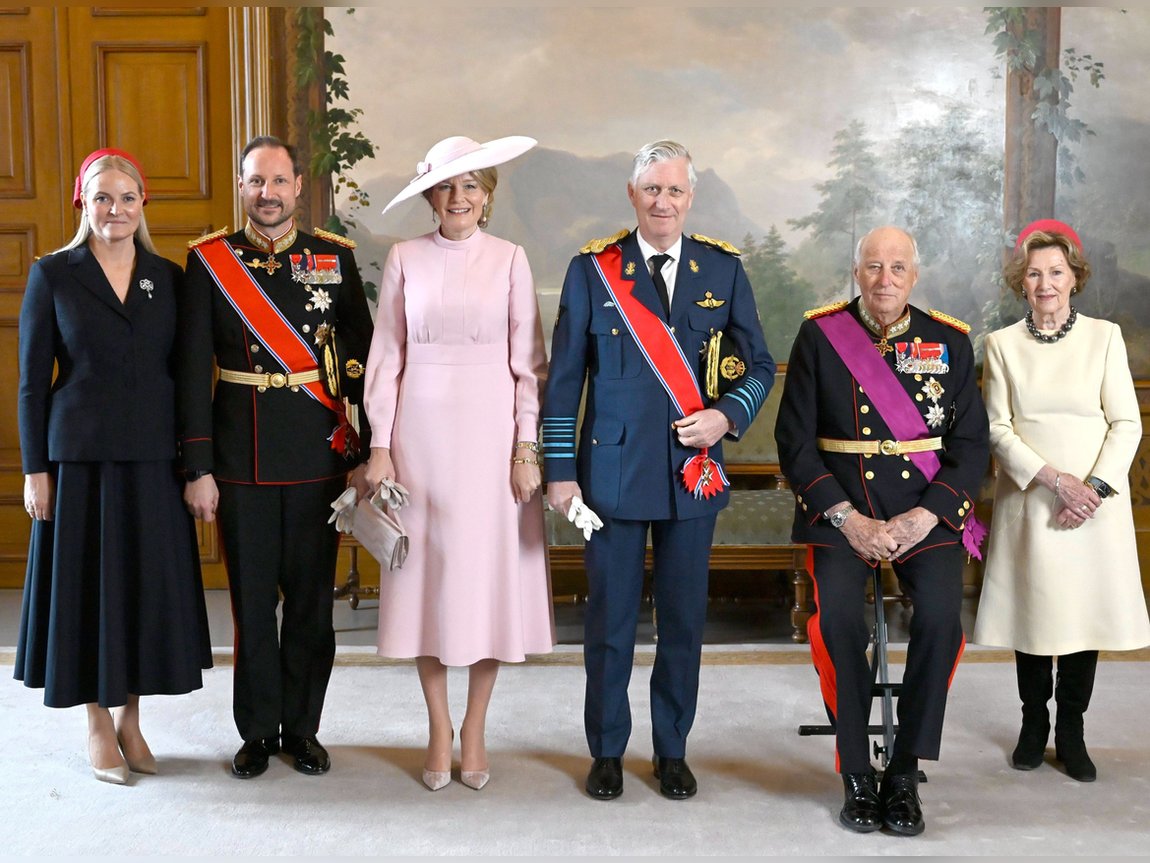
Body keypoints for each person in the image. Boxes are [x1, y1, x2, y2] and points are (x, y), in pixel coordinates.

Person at [542, 140, 775, 801]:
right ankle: (608, 750)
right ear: (632, 194)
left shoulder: (722, 272)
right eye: (651, 190)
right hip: (611, 475)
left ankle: (671, 749)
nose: (663, 202)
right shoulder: (593, 271)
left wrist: (726, 417)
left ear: (690, 198)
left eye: (674, 191)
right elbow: (564, 383)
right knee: (610, 622)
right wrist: (561, 472)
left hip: (691, 475)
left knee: (682, 623)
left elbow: (758, 365)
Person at [775, 226, 989, 836]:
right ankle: (856, 773)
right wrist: (847, 518)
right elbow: (796, 443)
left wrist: (927, 515)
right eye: (873, 267)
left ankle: (902, 769)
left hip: (924, 511)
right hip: (843, 514)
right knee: (837, 620)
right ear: (856, 272)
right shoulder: (820, 335)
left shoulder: (948, 340)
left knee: (943, 620)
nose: (885, 279)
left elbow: (969, 445)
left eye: (897, 267)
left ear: (914, 275)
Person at [178, 135, 374, 779]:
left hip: (318, 455)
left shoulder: (333, 258)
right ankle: (258, 732)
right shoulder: (210, 261)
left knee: (312, 604)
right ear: (242, 187)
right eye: (256, 182)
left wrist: (364, 452)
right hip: (241, 460)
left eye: (279, 181)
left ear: (298, 188)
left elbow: (363, 361)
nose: (268, 193)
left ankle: (304, 730)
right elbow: (188, 373)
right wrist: (199, 465)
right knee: (252, 604)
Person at [363, 135, 555, 792]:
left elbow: (529, 366)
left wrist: (526, 447)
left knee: (482, 582)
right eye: (446, 186)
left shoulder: (509, 259)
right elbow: (386, 358)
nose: (458, 197)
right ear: (430, 195)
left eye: (471, 185)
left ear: (487, 194)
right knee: (428, 584)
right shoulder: (404, 257)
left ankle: (475, 725)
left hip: (490, 438)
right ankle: (438, 725)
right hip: (419, 437)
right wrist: (381, 443)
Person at [15, 148, 212, 785]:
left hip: (154, 460)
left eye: (127, 197)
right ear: (83, 203)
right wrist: (34, 468)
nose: (116, 209)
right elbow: (29, 384)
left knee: (139, 590)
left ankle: (132, 717)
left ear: (143, 203)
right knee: (89, 591)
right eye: (103, 197)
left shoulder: (169, 278)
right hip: (78, 462)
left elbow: (187, 379)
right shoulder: (53, 275)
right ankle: (98, 721)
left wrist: (194, 462)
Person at [972, 219, 1150, 783]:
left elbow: (1125, 423)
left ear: (1075, 277)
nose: (1045, 283)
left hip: (1094, 507)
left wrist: (1091, 489)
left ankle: (1071, 731)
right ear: (1020, 283)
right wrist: (1054, 481)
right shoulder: (1001, 346)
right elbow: (998, 430)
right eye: (1034, 274)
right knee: (1034, 615)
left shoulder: (1105, 337)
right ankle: (1032, 725)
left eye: (1056, 272)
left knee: (1079, 618)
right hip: (1033, 498)